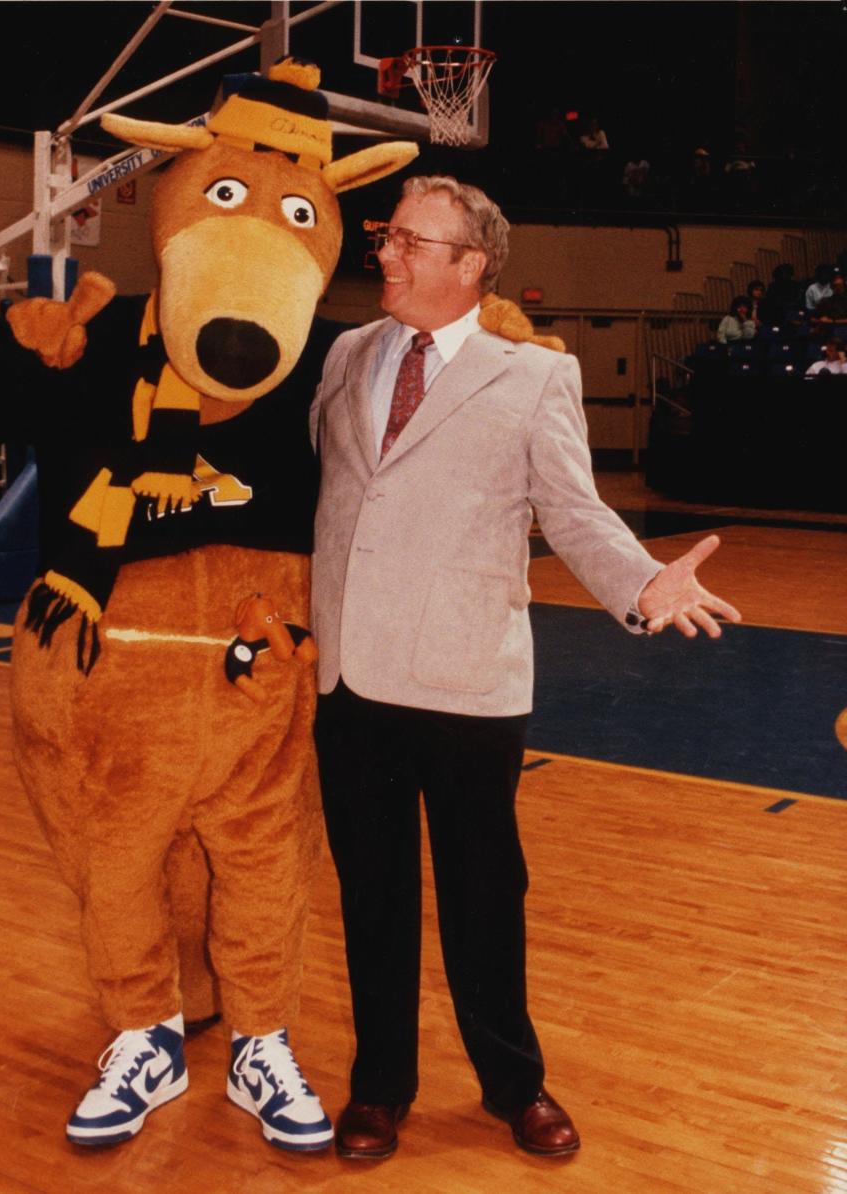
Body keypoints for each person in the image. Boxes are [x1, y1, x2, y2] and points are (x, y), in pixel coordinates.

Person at [310, 175, 741, 1163]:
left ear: (471, 266)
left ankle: (515, 1084)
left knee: (481, 896)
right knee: (370, 894)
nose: (387, 252)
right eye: (388, 236)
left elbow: (576, 510)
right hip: (350, 681)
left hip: (468, 684)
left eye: (413, 241)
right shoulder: (342, 357)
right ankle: (380, 1090)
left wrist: (641, 585)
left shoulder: (533, 376)